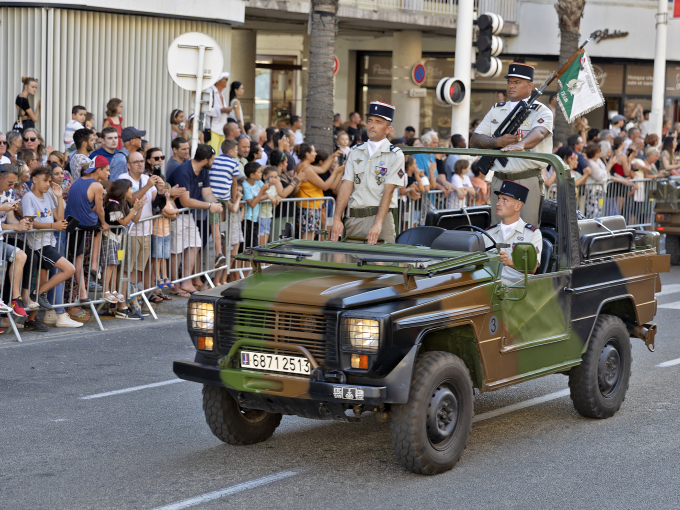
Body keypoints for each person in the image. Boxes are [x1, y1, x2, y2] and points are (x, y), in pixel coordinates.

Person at [470, 63, 553, 226]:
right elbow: (474, 139)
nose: (511, 86)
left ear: (530, 86)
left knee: (525, 232)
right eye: (509, 82)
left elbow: (540, 132)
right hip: (499, 180)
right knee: (496, 231)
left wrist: (522, 144)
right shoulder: (496, 109)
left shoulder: (541, 111)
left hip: (526, 179)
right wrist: (497, 142)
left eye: (517, 82)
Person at [331, 101, 404, 245]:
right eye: (370, 121)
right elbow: (346, 185)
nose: (372, 125)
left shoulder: (395, 155)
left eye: (378, 122)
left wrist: (377, 224)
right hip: (354, 218)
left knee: (382, 265)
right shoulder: (355, 151)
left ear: (388, 129)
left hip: (380, 219)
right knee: (350, 264)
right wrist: (337, 218)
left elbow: (388, 191)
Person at [20, 165, 77, 326]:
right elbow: (30, 222)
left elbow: (59, 218)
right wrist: (53, 227)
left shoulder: (48, 197)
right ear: (35, 180)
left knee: (42, 279)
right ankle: (37, 293)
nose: (47, 184)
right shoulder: (29, 197)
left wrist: (59, 197)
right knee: (69, 269)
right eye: (45, 180)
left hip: (49, 241)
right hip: (39, 244)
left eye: (49, 181)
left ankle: (31, 319)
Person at [167, 144, 223, 296]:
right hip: (176, 215)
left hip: (188, 215)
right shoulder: (183, 171)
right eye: (212, 159)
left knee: (195, 245)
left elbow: (207, 192)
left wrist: (216, 204)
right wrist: (210, 205)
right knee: (176, 251)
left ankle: (187, 281)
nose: (214, 161)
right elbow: (185, 201)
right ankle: (176, 286)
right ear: (205, 160)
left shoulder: (203, 171)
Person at [64, 156, 109, 304]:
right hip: (86, 224)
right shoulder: (97, 185)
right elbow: (100, 210)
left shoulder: (77, 181)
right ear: (99, 170)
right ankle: (94, 265)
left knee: (78, 258)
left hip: (71, 224)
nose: (108, 173)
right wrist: (104, 223)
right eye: (107, 170)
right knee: (99, 228)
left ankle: (83, 293)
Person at [102, 179, 146, 318]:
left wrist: (140, 207)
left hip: (119, 239)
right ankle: (106, 290)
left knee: (116, 264)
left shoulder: (124, 203)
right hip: (110, 237)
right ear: (123, 190)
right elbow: (124, 221)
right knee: (110, 264)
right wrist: (134, 208)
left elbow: (135, 220)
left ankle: (114, 290)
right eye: (130, 189)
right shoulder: (112, 205)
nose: (132, 192)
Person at [484, 180, 542, 284]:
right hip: (489, 282)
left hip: (516, 287)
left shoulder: (532, 233)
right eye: (498, 199)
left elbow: (532, 268)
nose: (498, 203)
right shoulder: (489, 233)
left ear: (517, 206)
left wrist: (509, 262)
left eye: (504, 200)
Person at [117, 151, 159, 294]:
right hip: (130, 232)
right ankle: (123, 298)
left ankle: (132, 297)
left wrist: (162, 191)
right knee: (127, 267)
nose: (141, 164)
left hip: (146, 230)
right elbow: (130, 200)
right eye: (136, 162)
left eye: (142, 161)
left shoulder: (147, 178)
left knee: (138, 269)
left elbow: (156, 203)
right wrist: (147, 186)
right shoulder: (123, 178)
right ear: (128, 165)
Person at [0, 165, 30, 322]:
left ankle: (15, 297)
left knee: (21, 255)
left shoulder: (9, 193)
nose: (12, 186)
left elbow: (10, 219)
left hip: (1, 240)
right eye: (10, 183)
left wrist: (19, 225)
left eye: (14, 183)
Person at [295, 144, 343, 240]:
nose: (315, 154)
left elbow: (322, 169)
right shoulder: (307, 169)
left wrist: (333, 156)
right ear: (307, 154)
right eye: (313, 151)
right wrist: (335, 173)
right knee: (308, 237)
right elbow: (325, 186)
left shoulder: (301, 165)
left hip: (307, 206)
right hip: (310, 207)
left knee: (309, 235)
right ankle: (304, 255)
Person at [209, 138, 241, 269]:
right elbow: (234, 184)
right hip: (223, 196)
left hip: (211, 196)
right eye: (237, 150)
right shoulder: (234, 164)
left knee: (216, 224)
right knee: (216, 225)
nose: (237, 152)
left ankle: (220, 237)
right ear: (231, 151)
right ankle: (219, 253)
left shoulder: (214, 160)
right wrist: (233, 199)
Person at [150, 179, 177, 302]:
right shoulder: (160, 202)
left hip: (166, 234)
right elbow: (166, 211)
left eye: (168, 192)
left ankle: (165, 276)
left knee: (165, 257)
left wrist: (171, 212)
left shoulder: (168, 202)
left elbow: (172, 215)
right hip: (157, 233)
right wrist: (172, 212)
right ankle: (158, 277)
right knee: (158, 257)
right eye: (164, 192)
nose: (166, 194)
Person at [205, 72, 232, 153]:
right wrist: (221, 110)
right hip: (212, 129)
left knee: (219, 155)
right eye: (226, 79)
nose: (227, 81)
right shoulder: (209, 91)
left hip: (221, 129)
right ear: (219, 81)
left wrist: (225, 110)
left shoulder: (221, 93)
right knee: (212, 154)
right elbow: (205, 110)